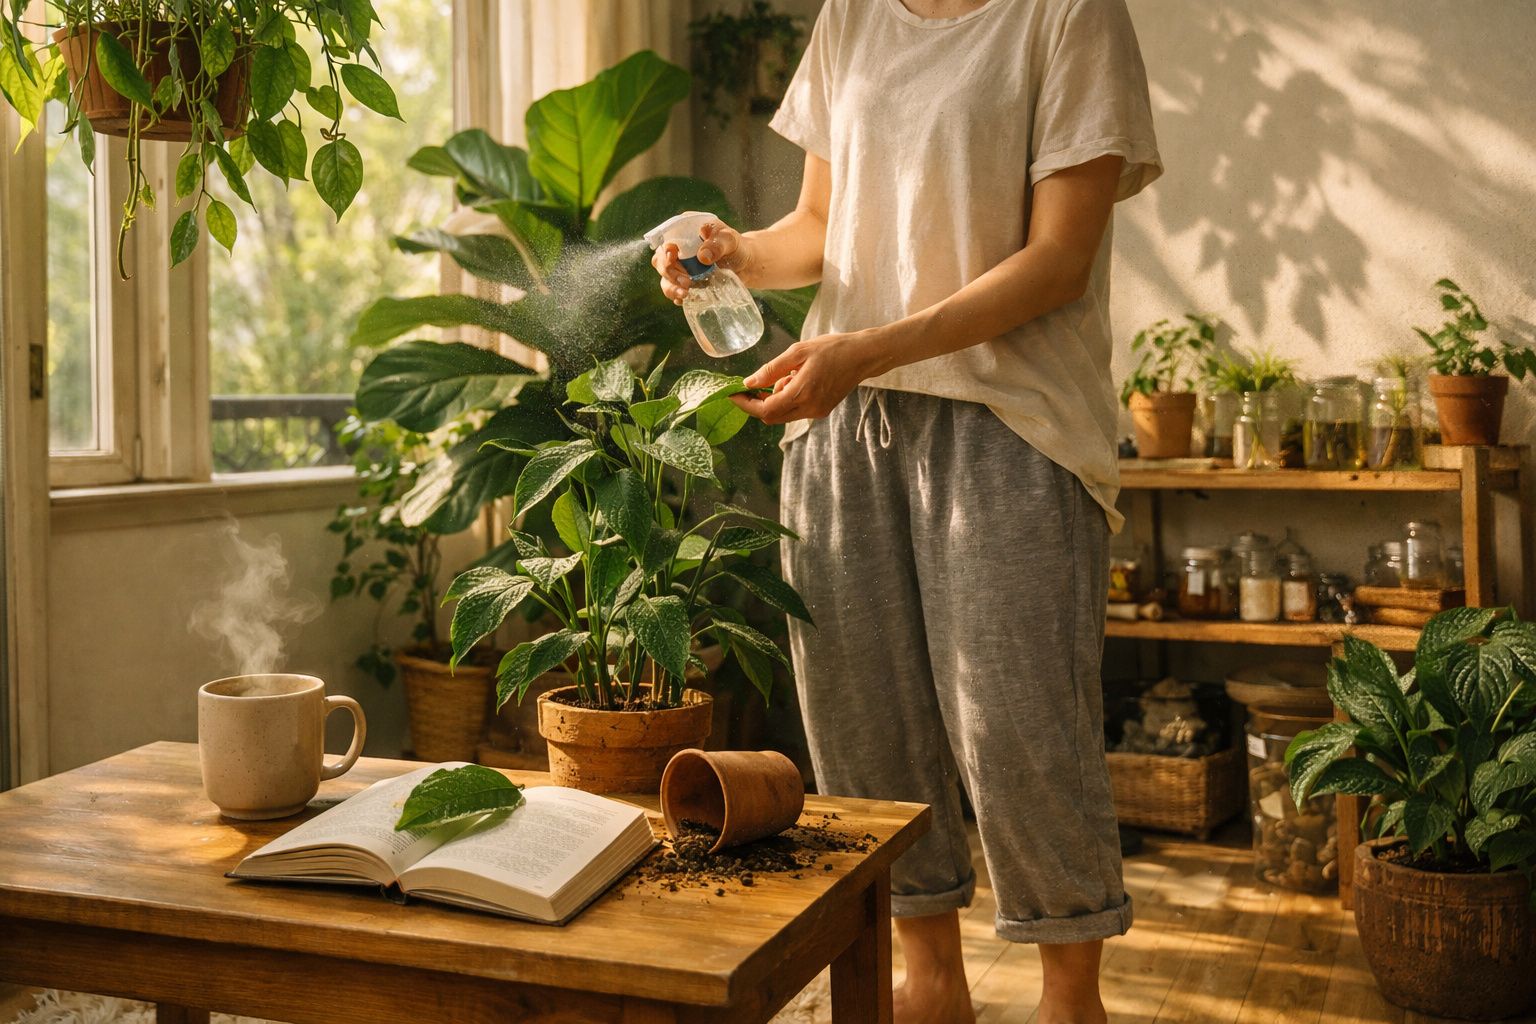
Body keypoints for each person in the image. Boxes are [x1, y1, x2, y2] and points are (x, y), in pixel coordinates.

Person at [653, 0, 1161, 1019]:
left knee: (1023, 728)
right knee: (864, 721)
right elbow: (820, 229)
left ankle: (1071, 996)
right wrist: (734, 253)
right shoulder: (853, 14)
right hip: (846, 421)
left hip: (1011, 419)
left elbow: (1060, 259)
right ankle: (930, 977)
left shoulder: (1068, 15)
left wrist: (871, 348)